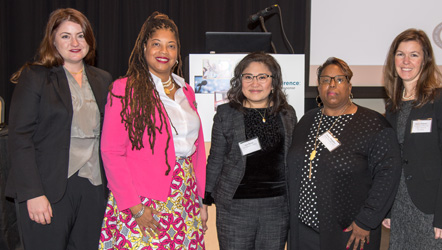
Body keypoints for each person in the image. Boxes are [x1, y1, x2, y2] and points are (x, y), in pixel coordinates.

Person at [98, 12, 206, 249]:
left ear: (178, 53)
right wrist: (135, 207)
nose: (163, 51)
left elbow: (196, 149)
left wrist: (201, 200)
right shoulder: (124, 89)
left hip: (185, 197)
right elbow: (111, 152)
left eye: (171, 46)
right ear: (144, 47)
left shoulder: (186, 90)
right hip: (143, 200)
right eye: (156, 44)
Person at [6, 8, 112, 250]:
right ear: (53, 40)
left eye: (81, 35)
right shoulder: (35, 76)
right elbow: (20, 138)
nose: (75, 42)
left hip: (93, 190)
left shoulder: (103, 79)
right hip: (48, 189)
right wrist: (32, 193)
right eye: (66, 36)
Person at [287, 57, 401, 250]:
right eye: (325, 79)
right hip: (303, 229)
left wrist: (367, 220)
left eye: (339, 79)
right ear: (318, 87)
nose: (331, 84)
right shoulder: (307, 121)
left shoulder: (373, 125)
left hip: (348, 232)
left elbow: (388, 175)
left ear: (349, 86)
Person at [202, 52, 297, 250]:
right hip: (234, 207)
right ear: (240, 81)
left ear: (274, 81)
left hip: (277, 207)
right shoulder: (226, 114)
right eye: (248, 77)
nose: (255, 83)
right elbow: (216, 159)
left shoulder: (287, 114)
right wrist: (205, 199)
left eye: (262, 77)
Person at [381, 28, 442, 249]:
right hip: (400, 207)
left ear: (425, 60)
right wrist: (388, 207)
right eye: (400, 54)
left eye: (414, 55)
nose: (406, 61)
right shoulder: (393, 106)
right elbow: (391, 160)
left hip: (433, 209)